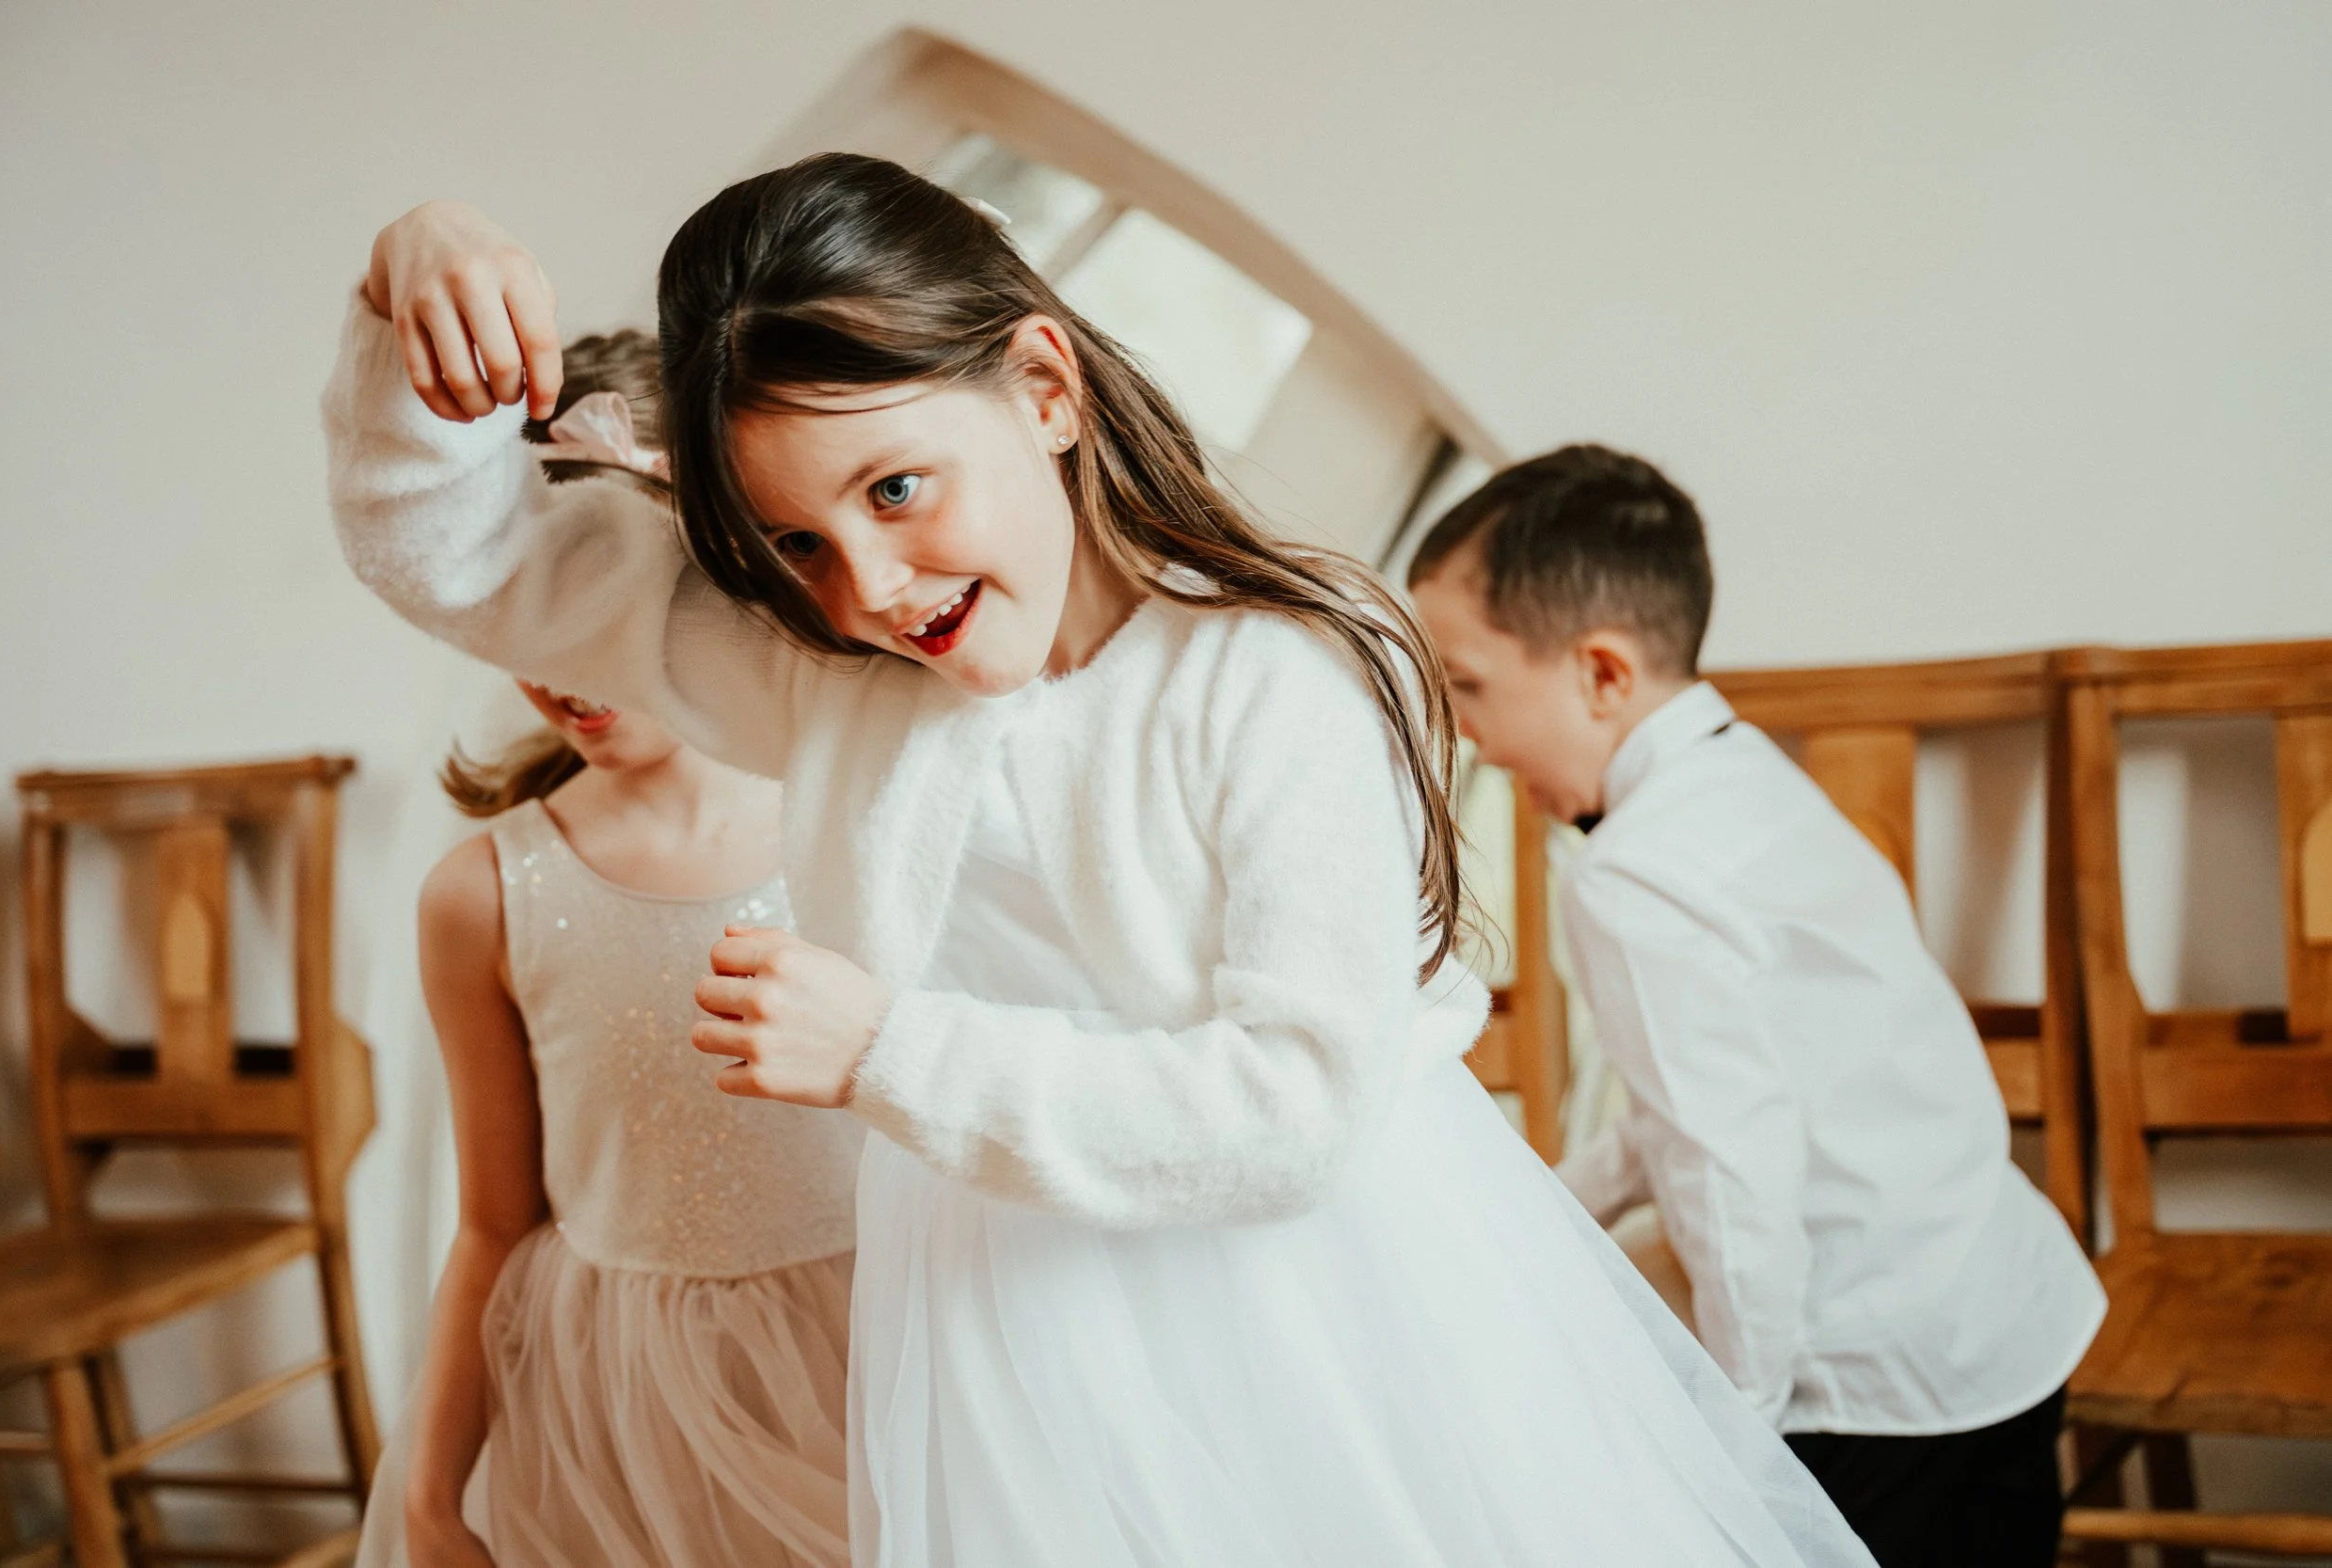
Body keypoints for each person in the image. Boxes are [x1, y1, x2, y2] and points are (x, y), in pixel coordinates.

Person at [325, 155, 1875, 1567]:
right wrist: (412, 288)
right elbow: (471, 559)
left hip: (1307, 1308)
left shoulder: (1267, 677)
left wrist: (889, 1046)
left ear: (1045, 385)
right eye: (796, 544)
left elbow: (1297, 1102)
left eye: (896, 489)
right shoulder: (835, 670)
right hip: (1001, 1326)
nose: (868, 584)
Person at [1406, 444, 2106, 1568]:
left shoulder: (1632, 876)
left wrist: (1735, 1437)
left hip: (1878, 1376)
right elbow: (1703, 1104)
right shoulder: (1738, 776)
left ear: (1600, 672)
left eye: (1469, 684)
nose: (1465, 733)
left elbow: (1727, 1175)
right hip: (1995, 1314)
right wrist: (1545, 1213)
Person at [354, 331, 865, 1568]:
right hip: (609, 1411)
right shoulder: (485, 893)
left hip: (862, 1366)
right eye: (518, 615)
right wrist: (431, 1494)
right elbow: (492, 1221)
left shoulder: (851, 821)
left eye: (595, 612)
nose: (554, 669)